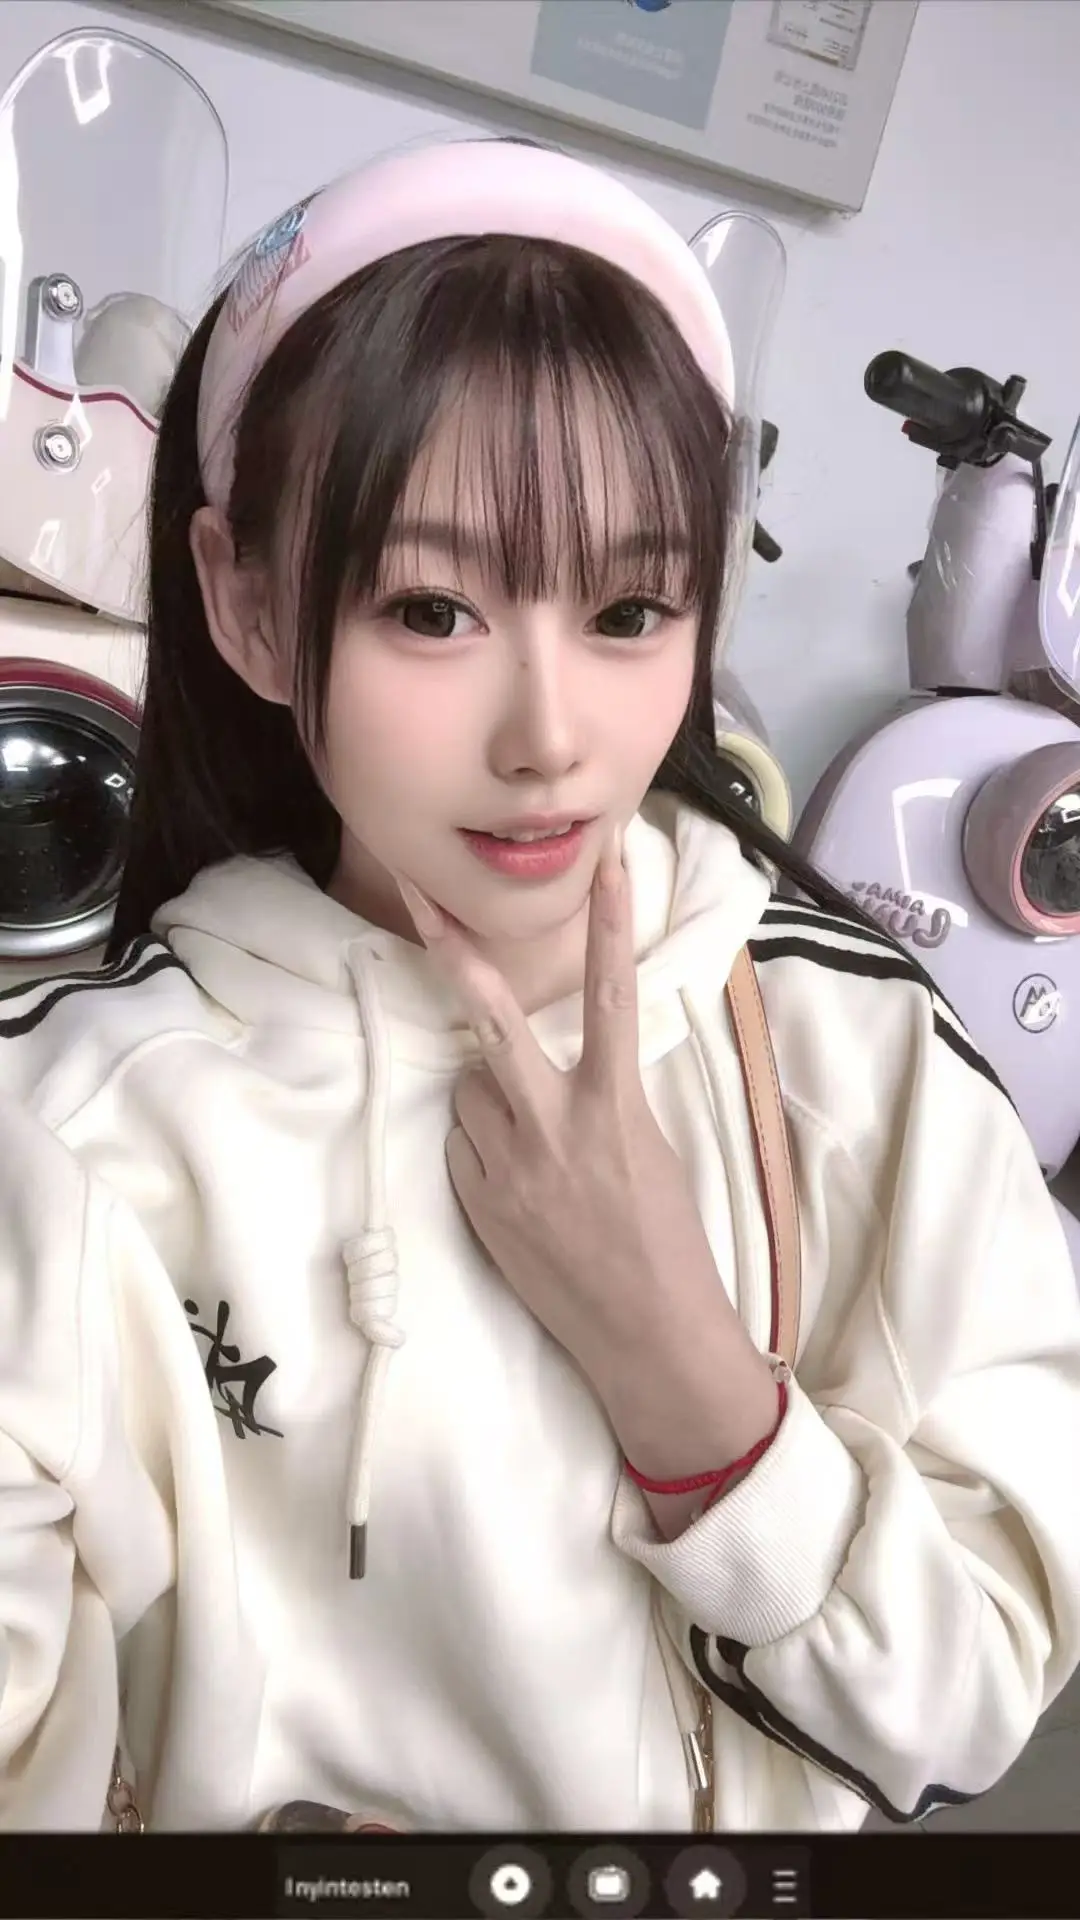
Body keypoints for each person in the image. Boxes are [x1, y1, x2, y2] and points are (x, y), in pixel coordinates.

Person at [0, 136, 1078, 1837]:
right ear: (248, 604)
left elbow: (972, 1709)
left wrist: (686, 1373)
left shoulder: (855, 1048)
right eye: (433, 610)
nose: (550, 738)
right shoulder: (81, 1125)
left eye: (632, 608)